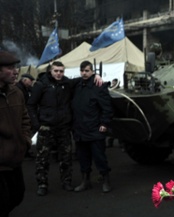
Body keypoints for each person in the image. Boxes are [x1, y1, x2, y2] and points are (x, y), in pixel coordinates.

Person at [0, 51, 30, 217]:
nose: (15, 71)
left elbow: (25, 118)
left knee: (17, 196)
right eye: (10, 68)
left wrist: (26, 140)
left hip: (15, 160)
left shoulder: (16, 93)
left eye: (16, 67)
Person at [28, 61, 74, 195]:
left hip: (63, 127)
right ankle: (42, 184)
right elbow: (31, 105)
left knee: (66, 156)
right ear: (50, 71)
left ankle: (66, 181)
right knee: (43, 158)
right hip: (46, 127)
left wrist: (96, 76)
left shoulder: (66, 83)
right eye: (56, 71)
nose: (59, 74)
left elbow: (80, 81)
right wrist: (37, 125)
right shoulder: (41, 85)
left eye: (61, 71)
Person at [72, 61, 113, 193]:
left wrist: (104, 124)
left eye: (87, 71)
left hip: (95, 129)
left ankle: (106, 180)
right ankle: (85, 181)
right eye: (82, 70)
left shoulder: (99, 86)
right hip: (80, 129)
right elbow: (62, 81)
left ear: (92, 72)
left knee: (99, 157)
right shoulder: (76, 86)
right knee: (83, 158)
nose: (84, 73)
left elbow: (107, 108)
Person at [16, 73, 36, 158]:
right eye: (30, 81)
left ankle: (25, 151)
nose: (31, 82)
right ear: (24, 80)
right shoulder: (19, 89)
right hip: (20, 115)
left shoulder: (25, 88)